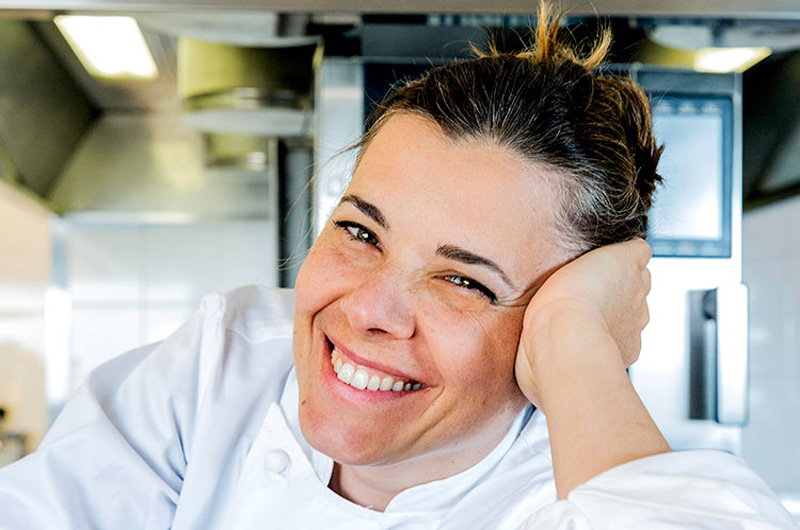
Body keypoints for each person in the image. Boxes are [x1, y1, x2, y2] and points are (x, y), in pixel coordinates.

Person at [0, 5, 796, 529]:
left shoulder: (568, 496)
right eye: (361, 231)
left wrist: (581, 344)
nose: (369, 309)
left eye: (464, 280)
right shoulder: (228, 362)